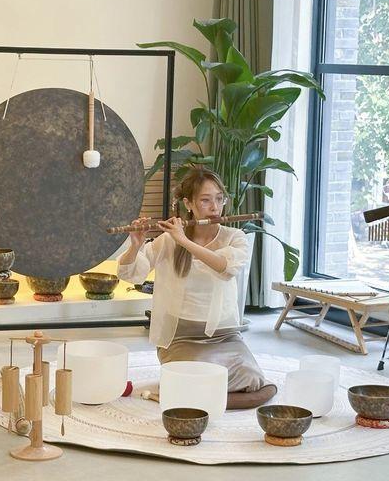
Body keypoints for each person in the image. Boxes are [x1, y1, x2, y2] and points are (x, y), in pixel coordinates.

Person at [117, 167, 276, 409]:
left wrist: (184, 241)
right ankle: (196, 393)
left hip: (224, 336)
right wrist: (135, 245)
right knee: (197, 376)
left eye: (219, 199)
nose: (215, 207)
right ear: (188, 204)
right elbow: (131, 273)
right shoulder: (169, 240)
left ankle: (190, 395)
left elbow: (225, 268)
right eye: (205, 200)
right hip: (181, 337)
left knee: (252, 379)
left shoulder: (235, 237)